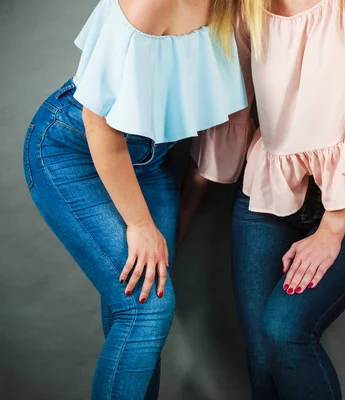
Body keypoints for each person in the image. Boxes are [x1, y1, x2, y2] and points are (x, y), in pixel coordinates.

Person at [179, 1, 345, 398]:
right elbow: (230, 112)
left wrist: (331, 230)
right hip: (267, 195)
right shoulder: (247, 9)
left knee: (284, 331)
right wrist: (186, 210)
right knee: (262, 363)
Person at [22, 0, 247, 398]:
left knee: (133, 311)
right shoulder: (152, 3)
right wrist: (141, 225)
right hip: (76, 150)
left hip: (152, 159)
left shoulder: (235, 6)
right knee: (146, 312)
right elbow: (99, 123)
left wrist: (188, 203)